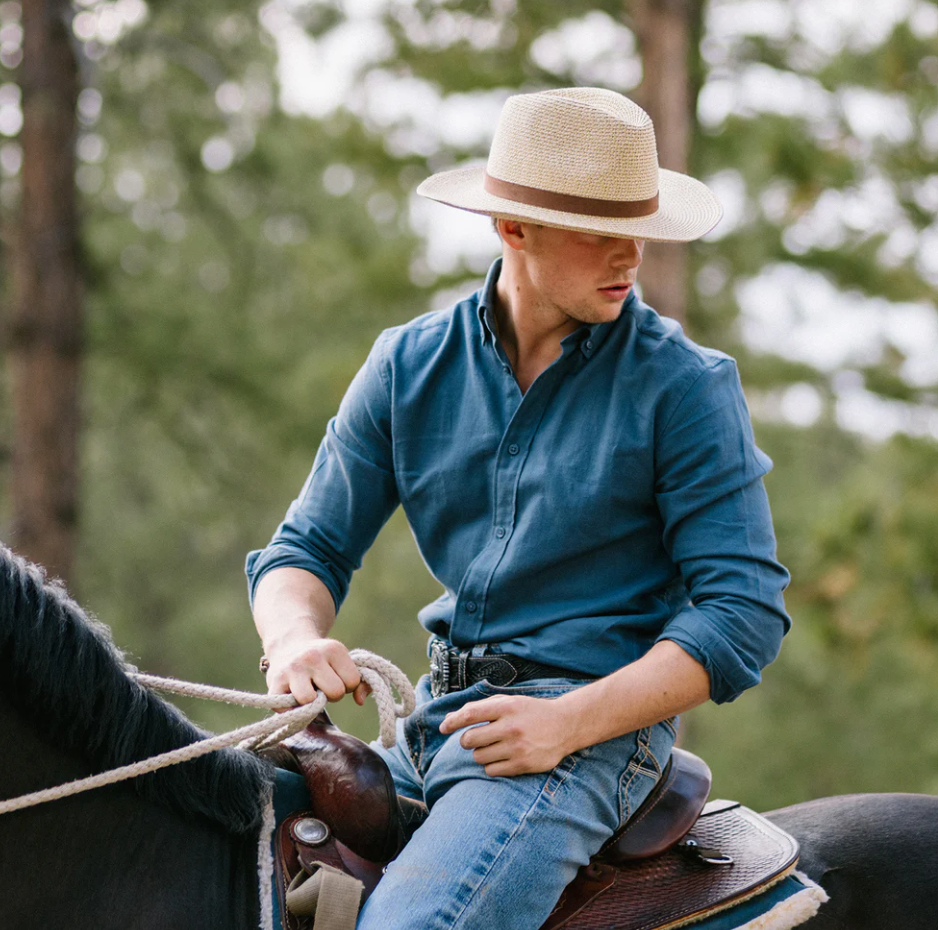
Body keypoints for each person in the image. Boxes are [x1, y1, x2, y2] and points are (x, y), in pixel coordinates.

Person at [246, 87, 790, 930]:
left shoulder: (685, 386)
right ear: (513, 229)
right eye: (600, 233)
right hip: (429, 724)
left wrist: (567, 722)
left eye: (637, 230)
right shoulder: (407, 366)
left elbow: (742, 614)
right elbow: (303, 549)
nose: (630, 257)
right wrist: (294, 640)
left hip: (592, 742)